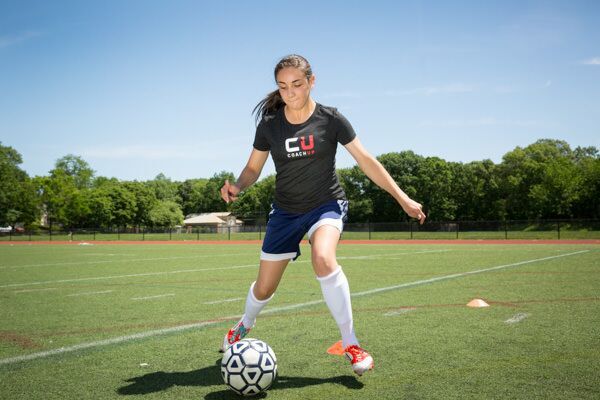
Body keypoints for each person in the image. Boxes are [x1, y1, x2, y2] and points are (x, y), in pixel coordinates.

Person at [219, 54, 426, 376]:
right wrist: (238, 186)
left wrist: (402, 198)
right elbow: (252, 168)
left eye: (297, 85)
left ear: (311, 82)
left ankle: (351, 343)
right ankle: (244, 324)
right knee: (264, 288)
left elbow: (366, 160)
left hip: (325, 204)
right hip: (285, 211)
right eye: (283, 86)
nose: (290, 92)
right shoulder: (270, 125)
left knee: (324, 258)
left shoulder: (331, 119)